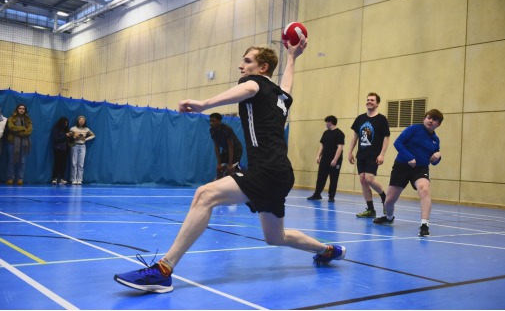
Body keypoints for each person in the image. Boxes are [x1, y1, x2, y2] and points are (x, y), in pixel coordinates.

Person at [114, 36, 347, 293]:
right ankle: (327, 250)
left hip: (268, 170)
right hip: (279, 172)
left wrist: (204, 104)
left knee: (205, 194)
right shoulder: (281, 98)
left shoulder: (254, 84)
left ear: (262, 69)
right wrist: (292, 58)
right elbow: (288, 85)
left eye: (247, 61)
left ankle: (164, 270)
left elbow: (247, 90)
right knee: (275, 238)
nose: (241, 66)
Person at [373, 109, 443, 237]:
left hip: (420, 169)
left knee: (424, 189)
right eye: (428, 118)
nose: (431, 121)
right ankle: (389, 218)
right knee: (389, 201)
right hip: (402, 166)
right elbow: (398, 143)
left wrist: (438, 155)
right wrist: (409, 157)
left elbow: (433, 161)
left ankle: (424, 224)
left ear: (438, 124)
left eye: (434, 120)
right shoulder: (414, 129)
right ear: (424, 119)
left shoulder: (435, 140)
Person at [347, 92, 390, 218]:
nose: (369, 101)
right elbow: (355, 136)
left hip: (374, 155)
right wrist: (350, 151)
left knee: (369, 179)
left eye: (372, 100)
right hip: (361, 154)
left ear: (377, 103)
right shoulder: (360, 118)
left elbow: (386, 137)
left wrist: (382, 154)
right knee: (362, 180)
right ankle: (371, 210)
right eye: (368, 100)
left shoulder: (381, 119)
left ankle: (384, 197)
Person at [307, 115, 345, 202]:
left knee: (333, 178)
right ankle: (317, 194)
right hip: (325, 158)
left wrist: (335, 160)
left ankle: (331, 196)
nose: (326, 124)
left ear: (330, 122)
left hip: (335, 160)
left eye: (326, 122)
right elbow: (322, 145)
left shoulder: (339, 133)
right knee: (321, 177)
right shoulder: (326, 133)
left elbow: (340, 147)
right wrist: (318, 156)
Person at [209, 112, 243, 180]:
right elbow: (217, 146)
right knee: (219, 169)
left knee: (231, 169)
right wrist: (218, 163)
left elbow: (231, 147)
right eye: (210, 121)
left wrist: (230, 164)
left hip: (236, 149)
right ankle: (218, 185)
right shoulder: (212, 130)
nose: (211, 123)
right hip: (226, 150)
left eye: (213, 121)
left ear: (219, 121)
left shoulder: (227, 129)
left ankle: (239, 179)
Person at [6, 104, 32, 185]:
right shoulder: (11, 118)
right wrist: (23, 128)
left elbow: (29, 131)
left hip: (24, 143)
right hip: (12, 142)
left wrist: (20, 132)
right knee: (11, 161)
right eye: (20, 108)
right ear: (17, 109)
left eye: (23, 109)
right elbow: (11, 127)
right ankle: (10, 178)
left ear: (25, 110)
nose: (21, 110)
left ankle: (20, 178)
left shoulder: (28, 120)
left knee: (22, 161)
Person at [70, 115, 95, 185]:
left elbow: (93, 135)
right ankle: (73, 179)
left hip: (82, 146)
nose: (81, 121)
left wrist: (85, 139)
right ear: (77, 121)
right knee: (74, 163)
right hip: (74, 146)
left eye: (83, 120)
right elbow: (69, 137)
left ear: (84, 122)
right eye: (80, 120)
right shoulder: (73, 128)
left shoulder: (86, 129)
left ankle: (79, 179)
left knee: (81, 164)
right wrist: (75, 137)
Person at [51, 117, 73, 185]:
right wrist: (65, 135)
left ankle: (61, 178)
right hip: (58, 149)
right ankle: (54, 178)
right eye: (65, 123)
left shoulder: (67, 130)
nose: (66, 124)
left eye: (67, 123)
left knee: (63, 164)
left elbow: (69, 141)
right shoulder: (56, 129)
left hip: (65, 149)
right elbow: (56, 139)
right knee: (57, 164)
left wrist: (71, 136)